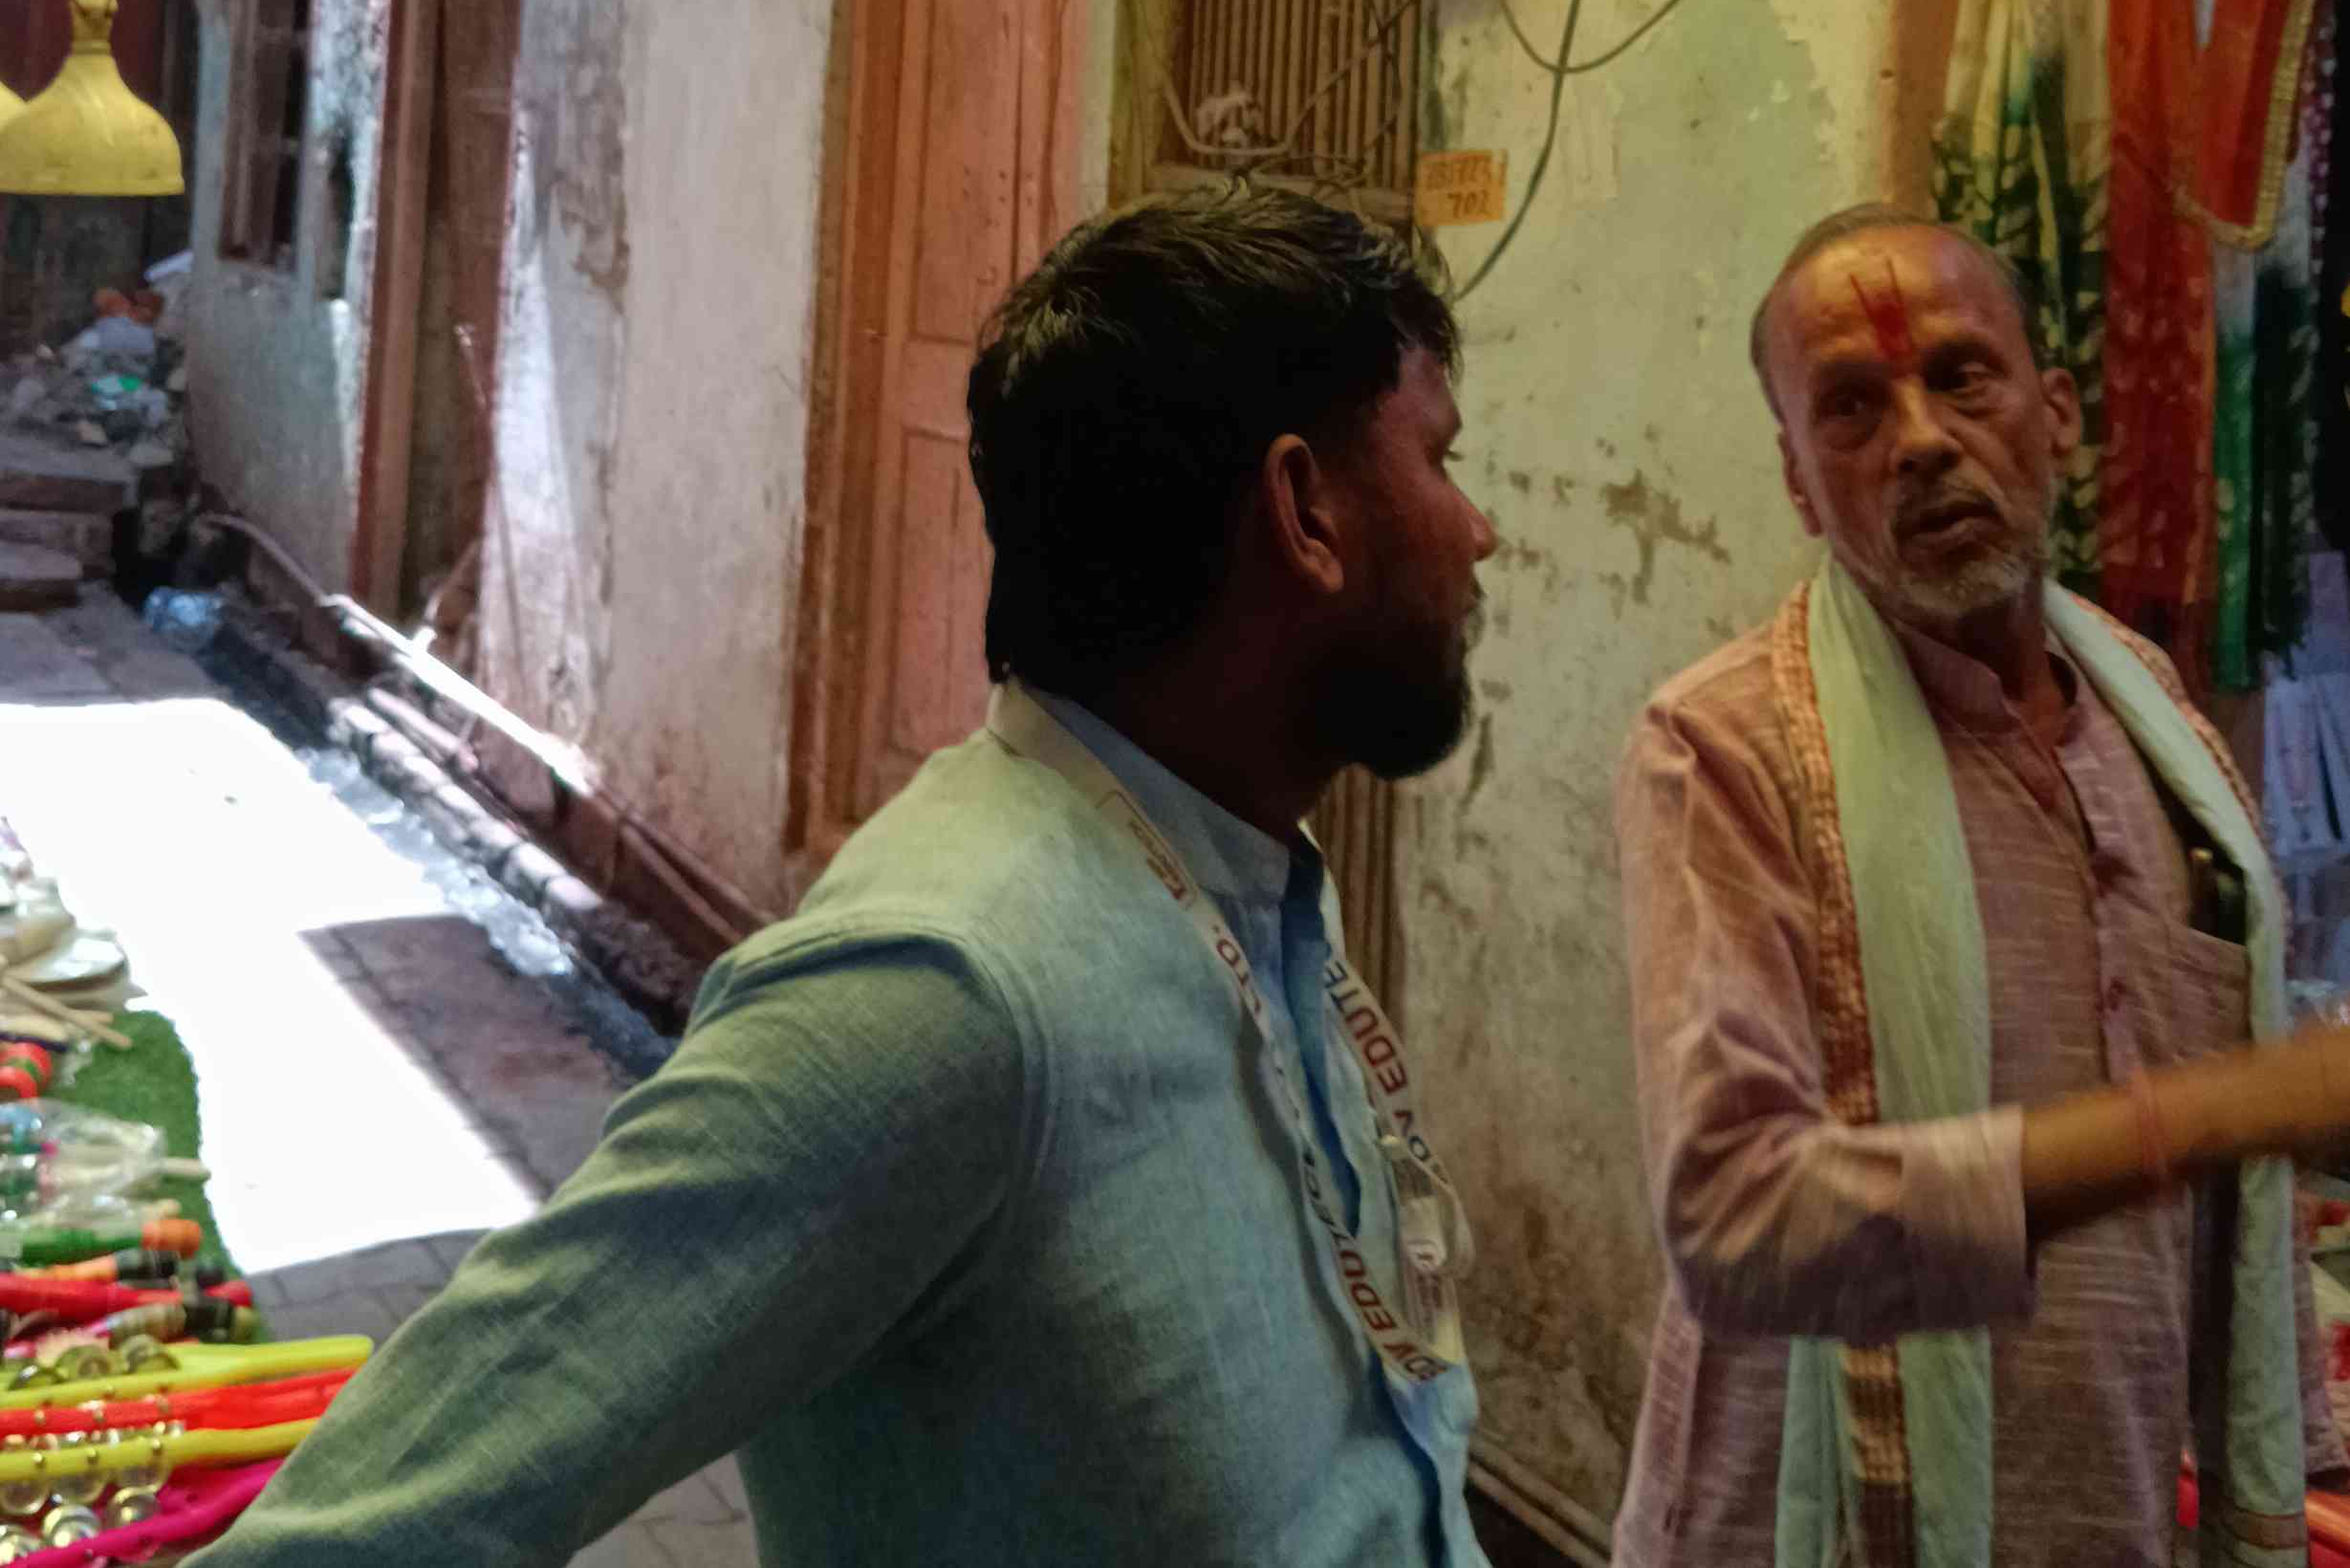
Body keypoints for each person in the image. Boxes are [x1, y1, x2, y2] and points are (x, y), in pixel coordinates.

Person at [211, 186, 1498, 1566]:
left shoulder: (1247, 877)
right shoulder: (948, 990)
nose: (1477, 530)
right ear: (1304, 511)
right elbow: (366, 1531)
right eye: (1440, 459)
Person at [1614, 204, 2350, 1568]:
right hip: (1807, 1528)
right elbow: (1736, 1218)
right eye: (1850, 408)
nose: (1919, 440)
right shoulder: (1721, 749)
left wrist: (2300, 1452)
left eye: (1960, 377)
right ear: (1798, 483)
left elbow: (2234, 1190)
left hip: (2111, 1506)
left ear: (2055, 414)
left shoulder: (2156, 726)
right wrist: (2226, 1110)